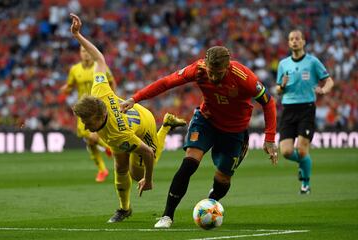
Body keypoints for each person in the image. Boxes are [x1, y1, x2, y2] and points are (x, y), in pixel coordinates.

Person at [120, 46, 279, 228]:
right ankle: (167, 216)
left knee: (223, 179)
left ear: (227, 68)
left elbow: (269, 102)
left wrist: (269, 138)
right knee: (189, 164)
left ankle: (211, 203)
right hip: (206, 121)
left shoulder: (244, 77)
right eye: (210, 72)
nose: (212, 77)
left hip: (235, 131)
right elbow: (166, 82)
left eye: (218, 73)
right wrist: (135, 98)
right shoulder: (199, 69)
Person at [69, 13, 186, 223]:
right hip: (122, 127)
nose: (86, 127)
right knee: (119, 166)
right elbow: (99, 59)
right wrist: (77, 35)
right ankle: (124, 209)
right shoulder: (100, 90)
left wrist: (148, 180)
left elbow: (148, 152)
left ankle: (166, 125)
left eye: (88, 122)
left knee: (135, 173)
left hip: (144, 123)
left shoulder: (118, 134)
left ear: (99, 115)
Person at [276, 29, 334, 194]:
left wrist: (323, 90)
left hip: (306, 108)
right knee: (286, 152)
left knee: (302, 150)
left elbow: (329, 80)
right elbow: (278, 90)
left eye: (297, 38)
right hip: (288, 109)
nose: (294, 41)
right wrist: (282, 86)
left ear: (303, 42)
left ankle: (305, 183)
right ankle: (303, 163)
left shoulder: (312, 62)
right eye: (291, 39)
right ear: (288, 43)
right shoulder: (283, 64)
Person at [60, 41, 116, 183]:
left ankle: (109, 152)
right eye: (82, 51)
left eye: (87, 51)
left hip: (98, 108)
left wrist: (111, 99)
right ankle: (103, 168)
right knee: (89, 140)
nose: (85, 53)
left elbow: (112, 82)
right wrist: (66, 88)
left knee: (92, 138)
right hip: (82, 110)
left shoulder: (100, 67)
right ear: (80, 53)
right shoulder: (75, 69)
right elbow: (71, 84)